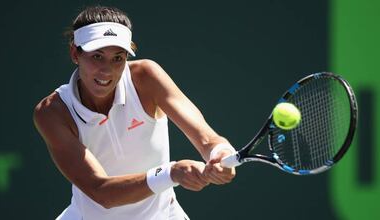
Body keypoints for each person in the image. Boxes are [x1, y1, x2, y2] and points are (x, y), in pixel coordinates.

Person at [33, 5, 236, 220]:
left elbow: (206, 138)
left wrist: (219, 152)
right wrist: (171, 173)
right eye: (97, 56)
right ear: (75, 52)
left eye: (117, 58)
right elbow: (101, 191)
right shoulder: (52, 112)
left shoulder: (146, 77)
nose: (106, 70)